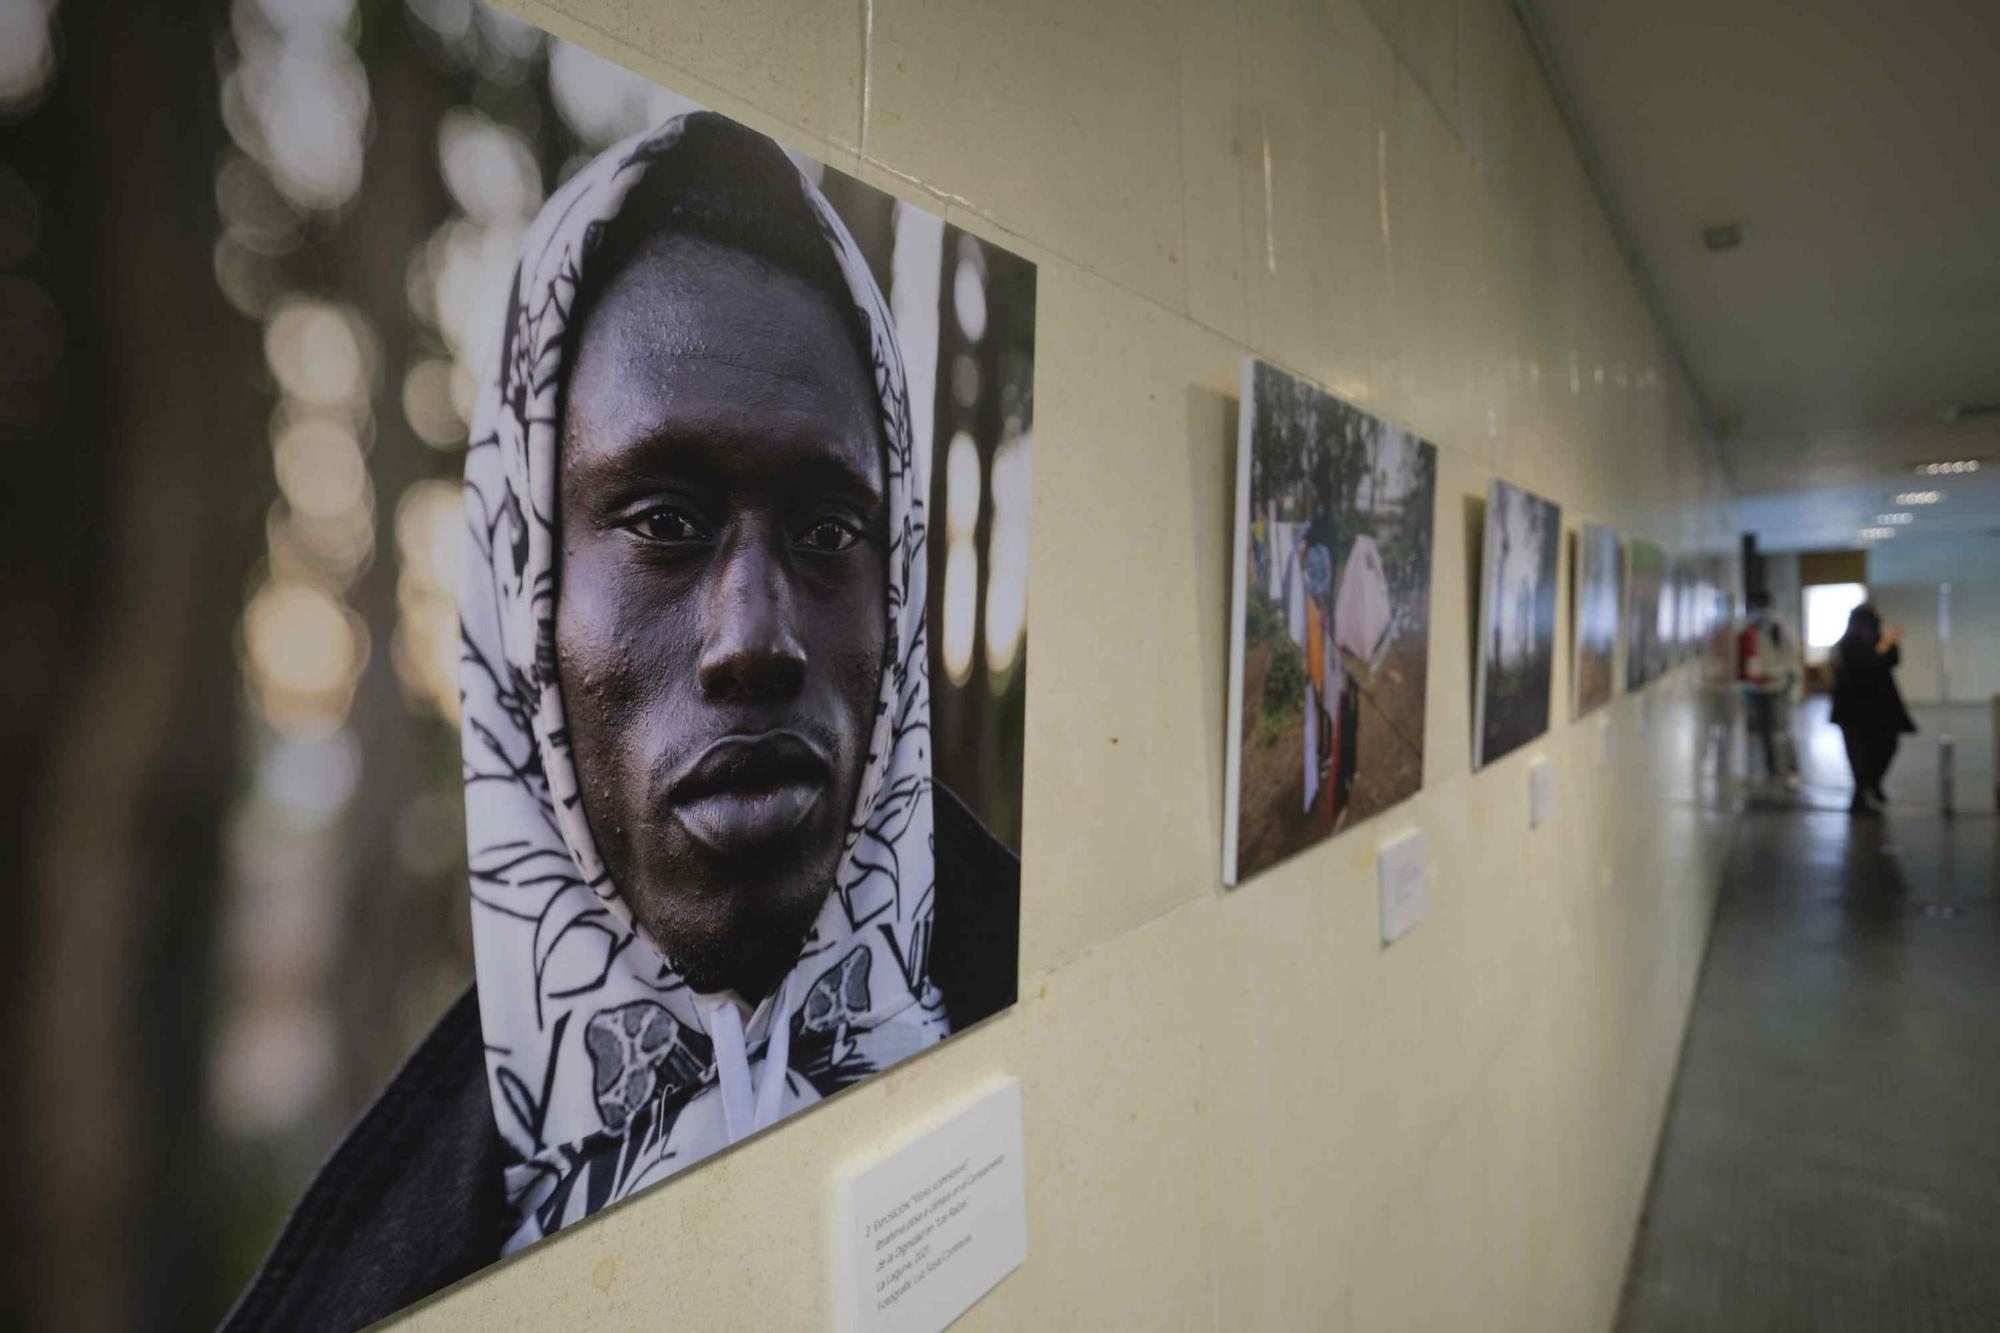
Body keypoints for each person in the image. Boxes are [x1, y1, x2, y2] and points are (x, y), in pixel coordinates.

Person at [223, 113, 1020, 1331]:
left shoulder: (1100, 1047)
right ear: (523, 596)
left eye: (825, 532)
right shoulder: (379, 1284)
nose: (756, 637)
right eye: (661, 520)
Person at [1830, 601, 1916, 815]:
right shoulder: (1849, 642)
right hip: (1855, 706)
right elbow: (1866, 666)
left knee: (1887, 745)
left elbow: (1892, 660)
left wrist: (1889, 643)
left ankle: (1872, 784)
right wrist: (1885, 644)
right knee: (1860, 753)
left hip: (1881, 704)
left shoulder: (1876, 637)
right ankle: (1860, 795)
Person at [1737, 589, 1801, 787]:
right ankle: (1771, 770)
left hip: (1777, 686)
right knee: (1763, 732)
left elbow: (1791, 657)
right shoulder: (1746, 628)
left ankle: (1791, 770)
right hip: (1753, 689)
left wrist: (1774, 673)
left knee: (1781, 730)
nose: (1759, 611)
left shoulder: (1780, 628)